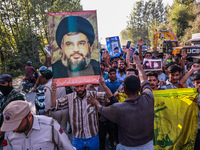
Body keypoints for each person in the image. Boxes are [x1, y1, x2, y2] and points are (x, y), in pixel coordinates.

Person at [88, 55, 154, 150]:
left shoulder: (118, 108)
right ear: (140, 88)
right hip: (148, 146)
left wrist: (96, 103)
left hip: (127, 147)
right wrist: (139, 65)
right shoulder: (149, 98)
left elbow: (101, 109)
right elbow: (144, 80)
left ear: (123, 89)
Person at [51, 81, 109, 150]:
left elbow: (109, 95)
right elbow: (54, 104)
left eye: (81, 86)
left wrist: (103, 84)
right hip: (77, 138)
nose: (79, 89)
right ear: (74, 87)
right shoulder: (70, 98)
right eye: (77, 86)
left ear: (85, 86)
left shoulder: (93, 94)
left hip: (92, 136)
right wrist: (54, 91)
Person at [1, 100, 75, 150]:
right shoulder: (9, 130)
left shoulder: (50, 126)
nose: (14, 130)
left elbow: (67, 148)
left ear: (29, 116)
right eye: (11, 125)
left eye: (18, 124)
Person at [43, 69, 68, 134]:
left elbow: (47, 101)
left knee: (57, 130)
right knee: (64, 129)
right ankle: (65, 143)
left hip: (55, 111)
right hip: (65, 109)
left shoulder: (47, 86)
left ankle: (59, 144)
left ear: (45, 78)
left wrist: (47, 113)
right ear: (52, 76)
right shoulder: (60, 83)